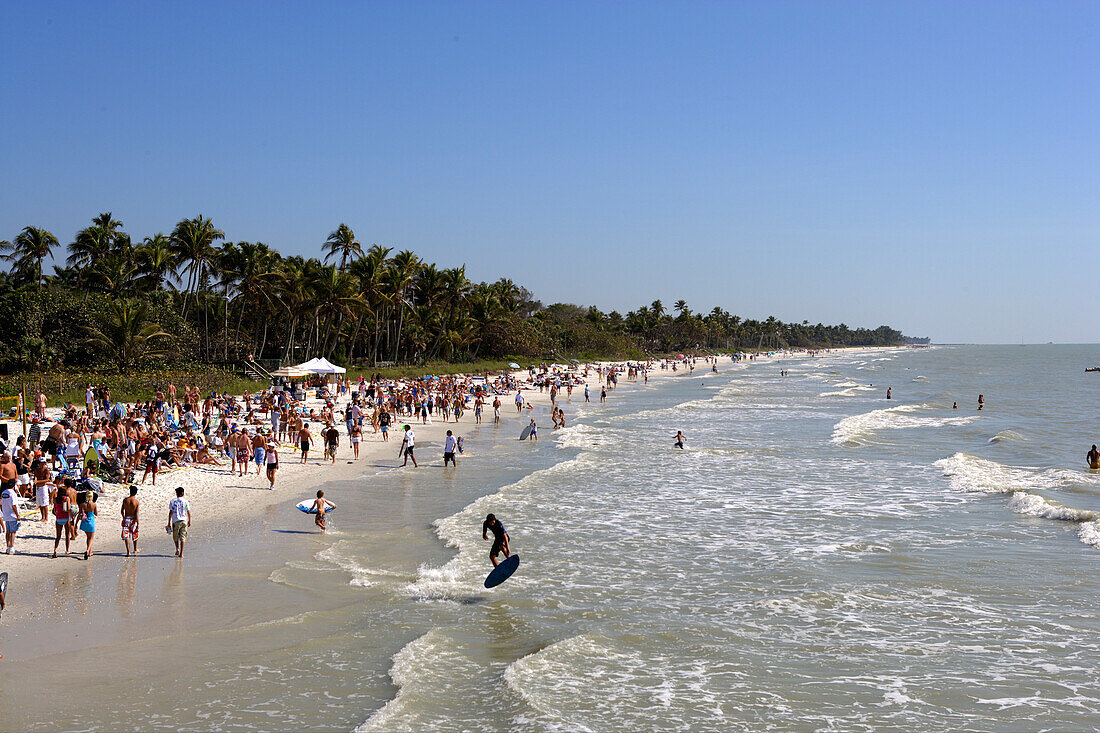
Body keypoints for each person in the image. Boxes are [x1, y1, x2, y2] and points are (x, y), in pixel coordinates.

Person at [166, 487, 191, 558]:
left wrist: (168, 523)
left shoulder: (173, 501)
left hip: (176, 521)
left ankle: (177, 548)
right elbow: (188, 512)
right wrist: (189, 521)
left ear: (176, 493)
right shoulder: (185, 501)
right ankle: (181, 553)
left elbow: (170, 512)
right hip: (184, 521)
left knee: (175, 536)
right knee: (183, 537)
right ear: (183, 493)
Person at [52, 480, 72, 557]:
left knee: (58, 536)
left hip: (58, 518)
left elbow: (54, 510)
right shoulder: (66, 499)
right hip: (66, 517)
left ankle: (55, 550)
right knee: (67, 535)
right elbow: (69, 508)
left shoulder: (55, 499)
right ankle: (67, 550)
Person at [1, 480, 20, 554]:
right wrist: (17, 515)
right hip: (12, 515)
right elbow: (14, 505)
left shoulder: (3, 492)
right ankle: (11, 547)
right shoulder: (13, 493)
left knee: (8, 531)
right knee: (13, 532)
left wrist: (3, 512)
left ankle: (8, 547)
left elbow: (1, 504)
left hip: (6, 514)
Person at [121, 485, 139, 556]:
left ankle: (128, 551)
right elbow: (137, 513)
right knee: (135, 534)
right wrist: (138, 522)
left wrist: (123, 517)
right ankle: (135, 549)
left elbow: (122, 510)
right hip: (133, 519)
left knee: (126, 535)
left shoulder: (125, 500)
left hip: (126, 518)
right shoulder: (136, 502)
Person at [77, 490, 96, 560]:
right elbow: (96, 513)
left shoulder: (82, 504)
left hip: (84, 521)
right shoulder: (94, 504)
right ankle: (88, 550)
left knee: (88, 537)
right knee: (91, 537)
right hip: (91, 521)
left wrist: (76, 523)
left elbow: (79, 514)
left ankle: (90, 551)